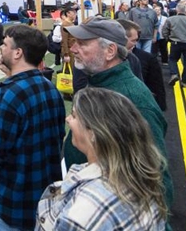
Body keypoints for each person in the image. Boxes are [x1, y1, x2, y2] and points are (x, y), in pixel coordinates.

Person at [64, 17, 174, 212]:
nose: (73, 49)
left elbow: (156, 175)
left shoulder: (133, 99)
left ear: (110, 51)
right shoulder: (99, 83)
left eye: (82, 43)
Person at [0, 25, 66, 230]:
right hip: (42, 204)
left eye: (4, 44)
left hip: (8, 208)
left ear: (18, 52)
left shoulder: (7, 96)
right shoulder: (50, 88)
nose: (0, 48)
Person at [35, 88, 168, 230]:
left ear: (94, 133)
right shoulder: (139, 180)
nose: (68, 119)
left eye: (74, 116)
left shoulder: (82, 212)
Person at [118, 19, 165, 110]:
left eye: (136, 40)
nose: (135, 44)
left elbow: (157, 88)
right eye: (133, 40)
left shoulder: (142, 59)